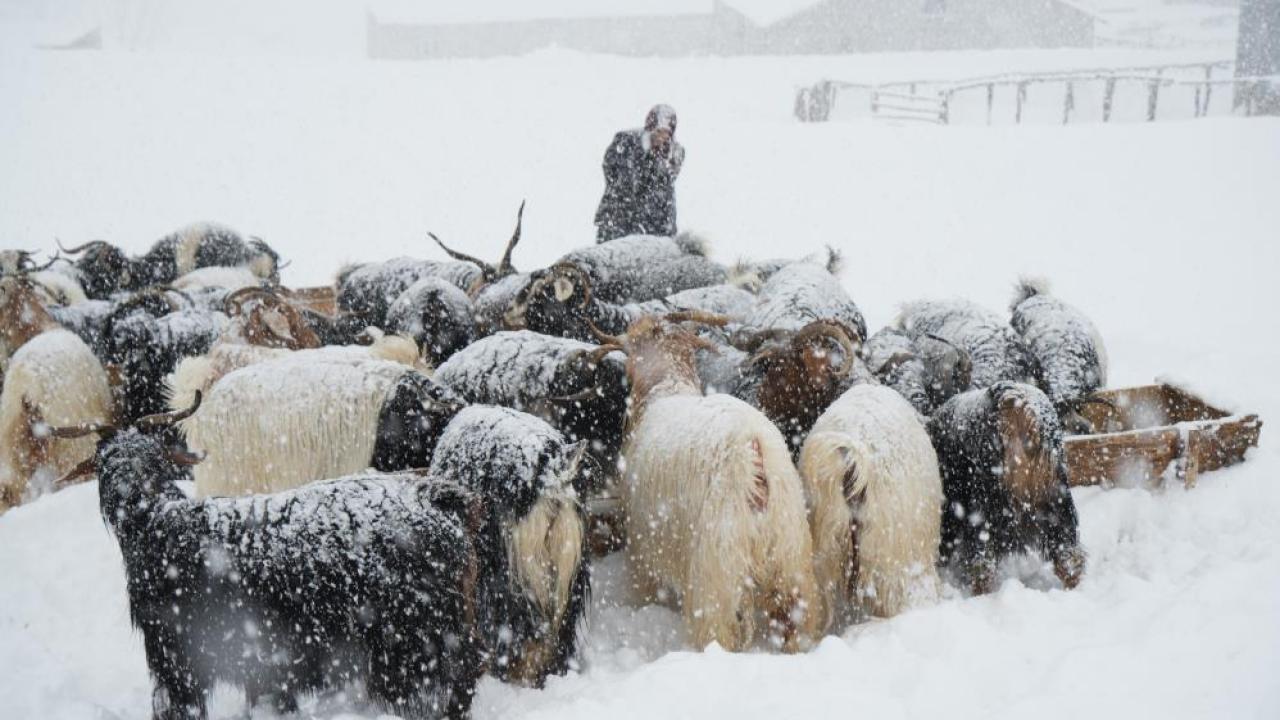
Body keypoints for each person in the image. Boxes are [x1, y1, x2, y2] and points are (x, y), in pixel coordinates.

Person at [594, 104, 685, 243]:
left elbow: (666, 195)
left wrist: (669, 233)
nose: (662, 137)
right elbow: (611, 169)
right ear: (650, 129)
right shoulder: (626, 141)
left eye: (667, 133)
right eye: (659, 131)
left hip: (653, 230)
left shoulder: (672, 155)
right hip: (617, 221)